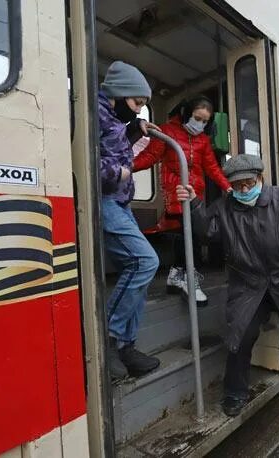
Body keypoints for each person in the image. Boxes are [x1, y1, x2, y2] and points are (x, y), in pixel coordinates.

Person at [175, 155, 279, 445]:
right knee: (239, 337)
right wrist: (195, 203)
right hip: (249, 285)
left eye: (249, 183)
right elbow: (207, 232)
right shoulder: (225, 207)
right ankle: (234, 393)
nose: (244, 190)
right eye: (237, 186)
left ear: (261, 178)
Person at [133, 96, 231, 306]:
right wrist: (125, 167)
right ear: (186, 114)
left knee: (191, 231)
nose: (201, 125)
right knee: (189, 233)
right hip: (176, 191)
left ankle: (176, 275)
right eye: (198, 118)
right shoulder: (166, 132)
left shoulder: (203, 140)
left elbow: (212, 168)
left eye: (205, 122)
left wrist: (228, 187)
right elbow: (150, 156)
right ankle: (188, 278)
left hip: (196, 195)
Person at [99, 61, 162, 380]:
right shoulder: (90, 112)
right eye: (137, 104)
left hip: (120, 203)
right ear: (120, 94)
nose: (138, 110)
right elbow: (78, 156)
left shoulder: (111, 117)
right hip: (106, 200)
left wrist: (134, 130)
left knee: (136, 267)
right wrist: (118, 173)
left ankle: (125, 346)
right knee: (144, 262)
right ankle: (108, 341)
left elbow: (112, 143)